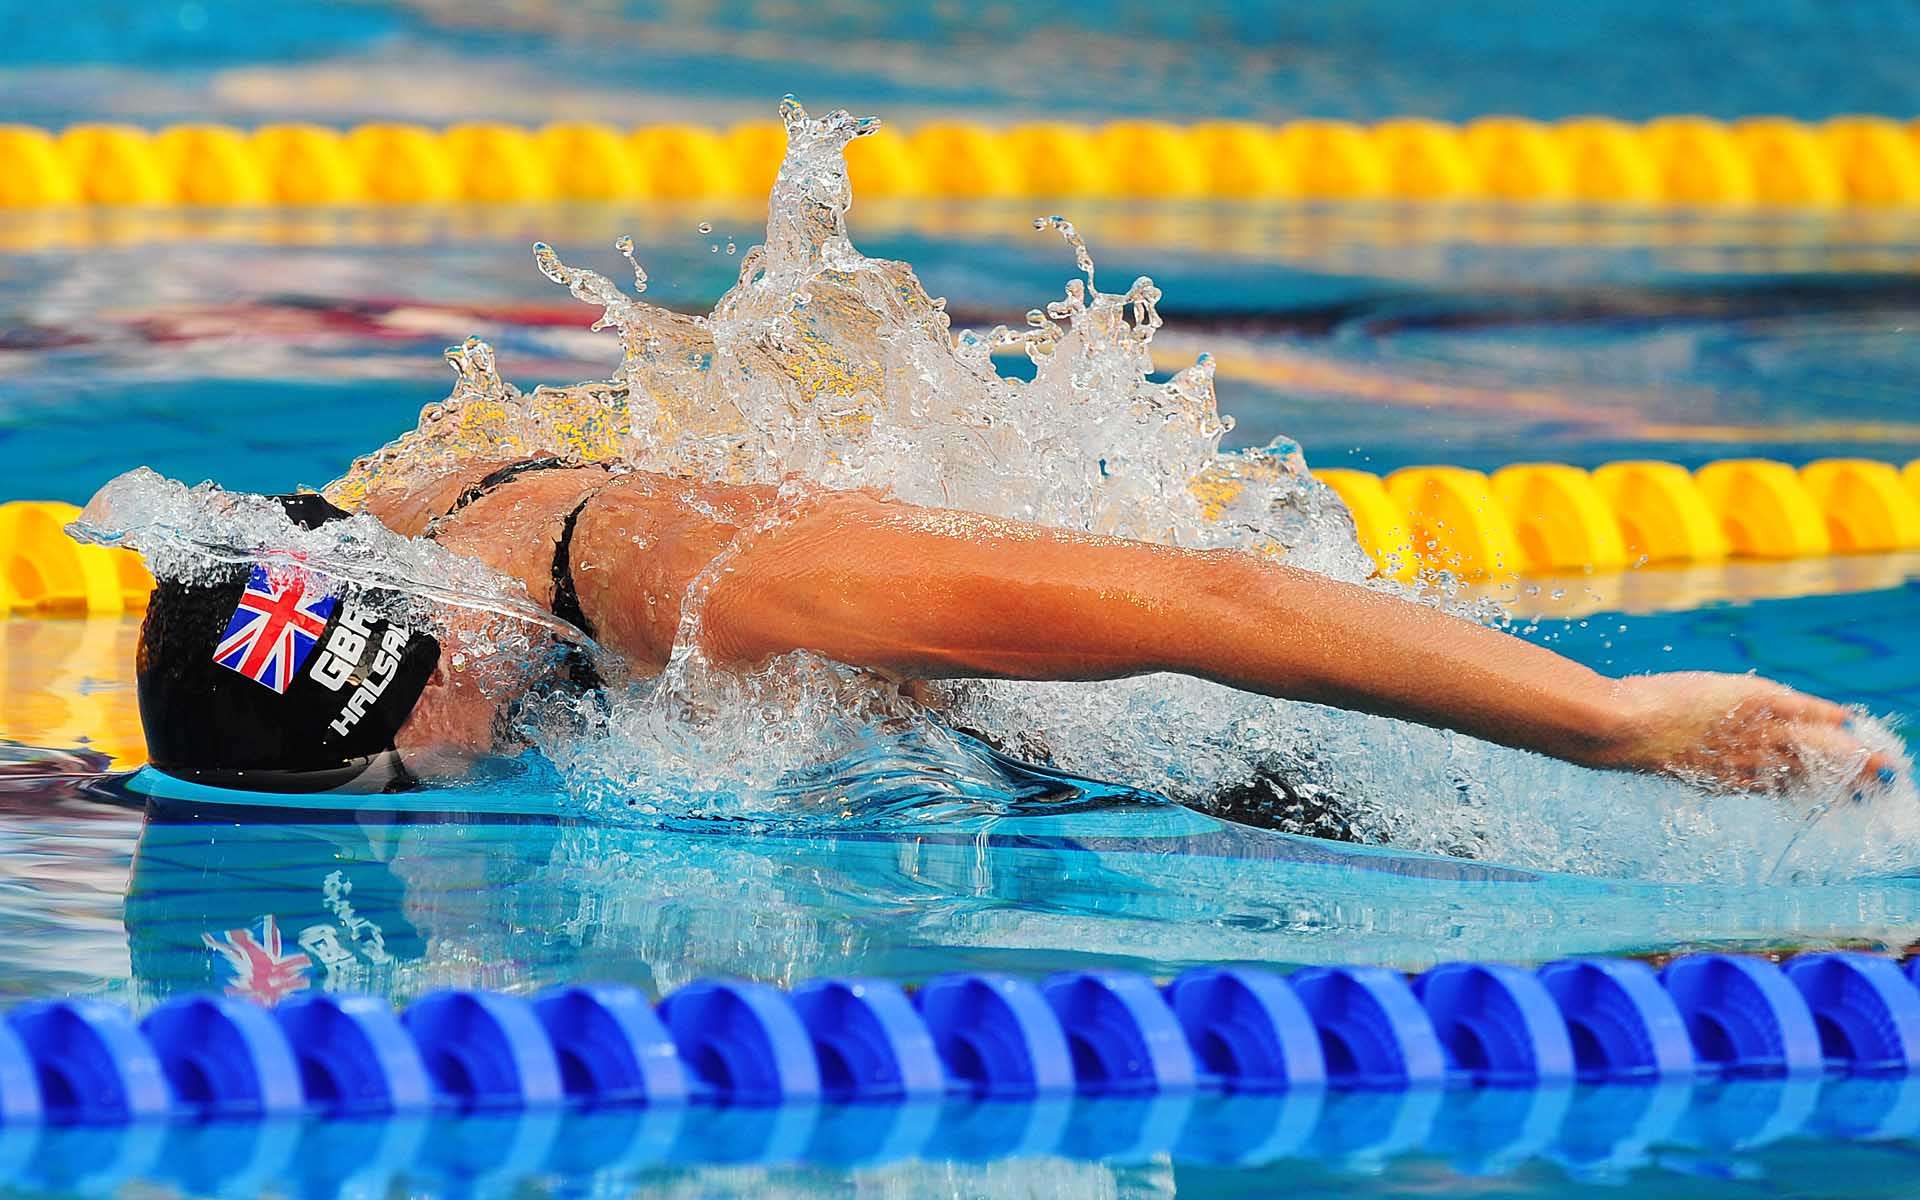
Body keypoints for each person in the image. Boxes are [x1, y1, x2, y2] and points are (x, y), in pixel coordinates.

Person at [133, 457, 1894, 803]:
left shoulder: (701, 585)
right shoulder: (401, 534)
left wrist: (1611, 722)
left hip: (1174, 728)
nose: (399, 814)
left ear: (429, 671)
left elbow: (1211, 610)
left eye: (377, 786)